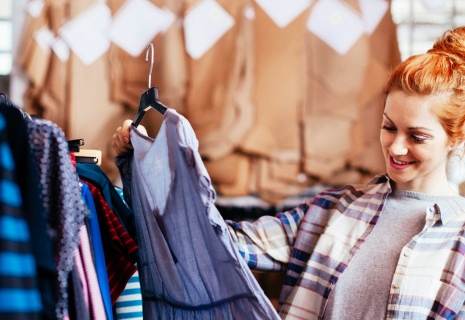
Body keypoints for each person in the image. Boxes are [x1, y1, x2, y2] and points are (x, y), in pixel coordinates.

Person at [112, 27, 465, 319]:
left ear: (456, 137)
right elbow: (211, 242)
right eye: (389, 127)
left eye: (417, 137)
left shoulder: (460, 242)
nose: (396, 147)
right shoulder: (334, 210)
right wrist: (144, 167)